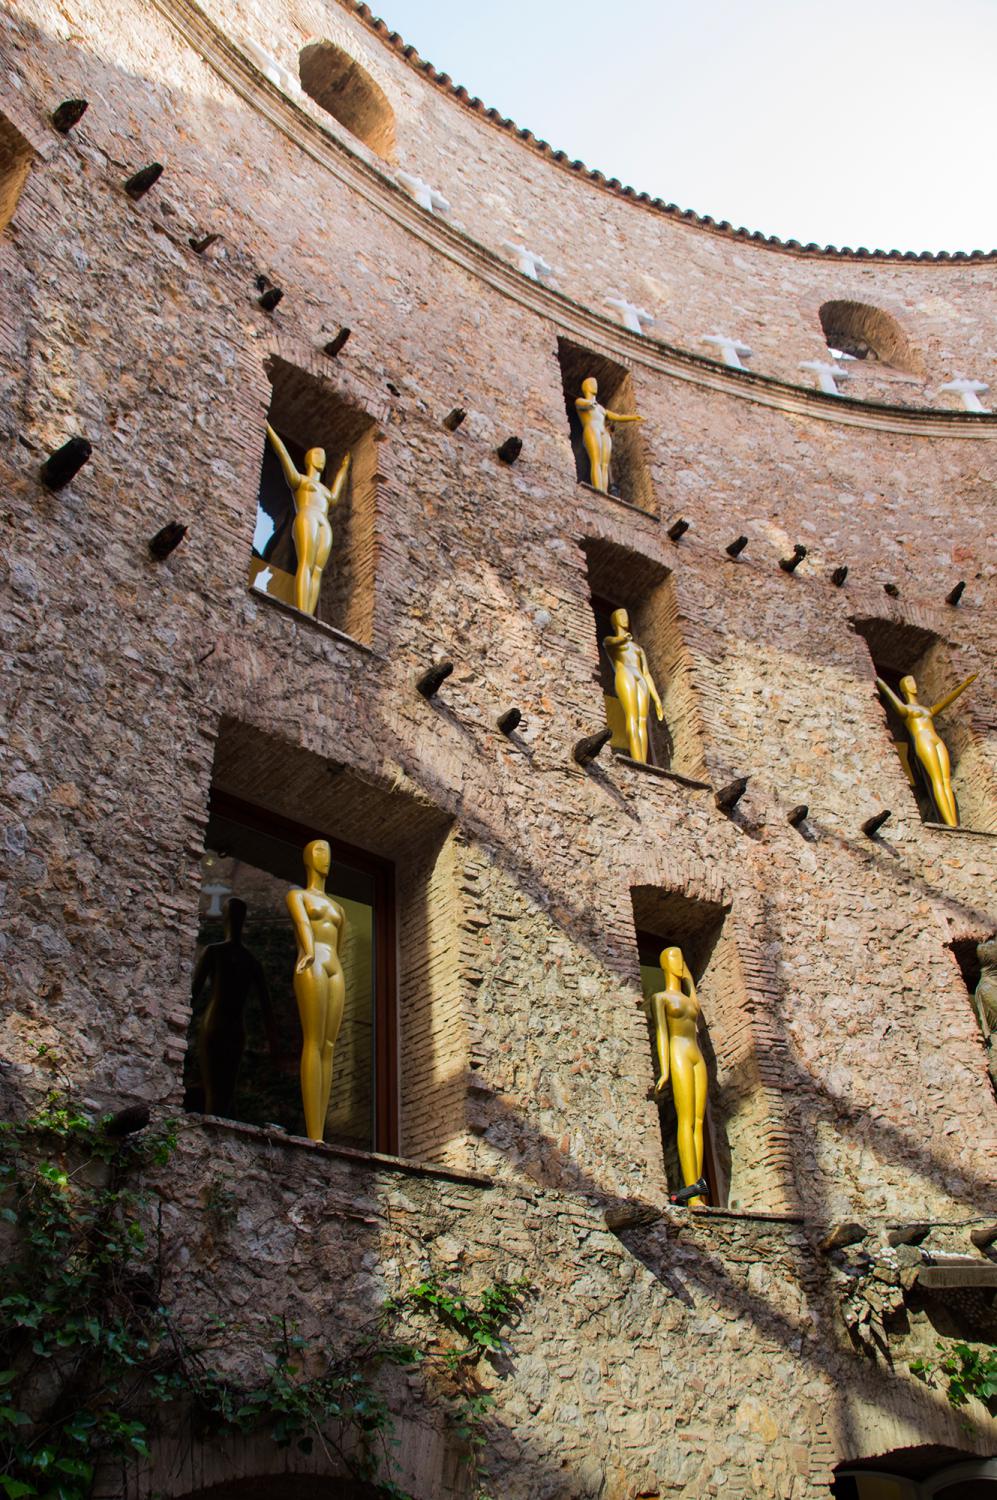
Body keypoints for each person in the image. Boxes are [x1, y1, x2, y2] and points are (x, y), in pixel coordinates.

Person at [192, 898, 277, 1119]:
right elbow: (268, 1010)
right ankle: (217, 1129)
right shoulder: (250, 961)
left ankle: (215, 1130)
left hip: (216, 1023)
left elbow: (193, 994)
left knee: (216, 1086)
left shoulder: (215, 952)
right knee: (223, 1087)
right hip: (234, 1026)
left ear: (226, 919)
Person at [286, 840, 347, 1142]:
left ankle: (319, 1129)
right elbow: (302, 925)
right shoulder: (297, 895)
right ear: (308, 858)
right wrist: (308, 951)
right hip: (312, 963)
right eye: (320, 852)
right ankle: (314, 1134)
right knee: (313, 1040)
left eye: (329, 853)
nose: (326, 859)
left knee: (329, 1045)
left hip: (335, 967)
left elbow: (341, 942)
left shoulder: (339, 907)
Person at [265, 423, 351, 616]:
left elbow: (335, 495)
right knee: (306, 562)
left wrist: (344, 469)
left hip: (323, 522)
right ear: (309, 459)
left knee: (318, 569)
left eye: (324, 456)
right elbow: (282, 453)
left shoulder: (325, 491)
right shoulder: (301, 481)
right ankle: (302, 610)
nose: (322, 459)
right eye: (318, 455)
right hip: (307, 516)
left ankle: (309, 613)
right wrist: (270, 430)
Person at [875, 671, 977, 827]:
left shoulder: (926, 709)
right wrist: (880, 681)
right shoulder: (907, 709)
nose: (913, 685)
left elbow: (945, 703)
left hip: (935, 739)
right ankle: (950, 824)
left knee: (946, 781)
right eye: (909, 682)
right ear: (904, 688)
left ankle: (954, 823)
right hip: (922, 739)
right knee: (936, 780)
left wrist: (964, 685)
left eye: (914, 682)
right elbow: (891, 697)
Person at [650, 946, 708, 1206]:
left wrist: (690, 981)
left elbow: (695, 1007)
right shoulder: (661, 998)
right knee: (685, 1120)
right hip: (678, 1053)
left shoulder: (688, 999)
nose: (679, 961)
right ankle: (692, 1194)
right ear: (664, 963)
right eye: (673, 957)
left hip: (696, 1053)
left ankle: (698, 1187)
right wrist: (664, 1070)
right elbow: (662, 1034)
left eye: (681, 957)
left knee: (698, 1120)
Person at [603, 608, 663, 764]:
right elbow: (613, 643)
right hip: (625, 674)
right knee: (631, 716)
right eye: (621, 615)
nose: (625, 618)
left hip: (640, 677)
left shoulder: (637, 648)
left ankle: (642, 762)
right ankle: (636, 760)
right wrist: (624, 639)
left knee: (642, 720)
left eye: (627, 615)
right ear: (614, 620)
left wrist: (657, 700)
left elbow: (647, 673)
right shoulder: (610, 640)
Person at [574, 377, 642, 493]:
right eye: (592, 383)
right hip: (592, 428)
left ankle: (604, 491)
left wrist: (634, 417)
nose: (595, 386)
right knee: (595, 460)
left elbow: (618, 417)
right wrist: (591, 402)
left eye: (595, 383)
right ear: (586, 387)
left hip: (603, 432)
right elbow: (583, 405)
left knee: (604, 464)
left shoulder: (601, 409)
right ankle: (598, 489)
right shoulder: (580, 401)